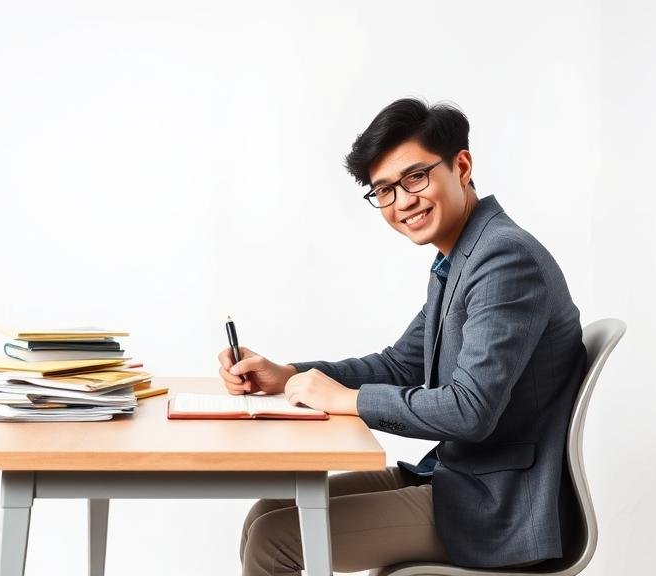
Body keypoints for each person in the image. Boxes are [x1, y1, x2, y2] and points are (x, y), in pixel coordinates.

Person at [217, 98, 587, 575]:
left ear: (462, 165)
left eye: (415, 178)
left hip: (495, 506)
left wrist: (348, 400)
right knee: (267, 511)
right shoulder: (462, 257)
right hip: (460, 478)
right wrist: (289, 374)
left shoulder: (503, 261)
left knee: (276, 539)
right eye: (385, 190)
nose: (403, 202)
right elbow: (399, 364)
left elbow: (468, 411)